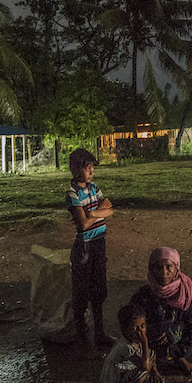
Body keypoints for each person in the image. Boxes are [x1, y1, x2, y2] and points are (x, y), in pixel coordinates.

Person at [64, 147, 115, 348]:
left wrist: (92, 213)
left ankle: (99, 333)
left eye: (92, 167)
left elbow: (110, 210)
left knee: (98, 290)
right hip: (84, 247)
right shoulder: (72, 193)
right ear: (75, 169)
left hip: (98, 243)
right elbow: (83, 224)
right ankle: (83, 339)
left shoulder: (93, 188)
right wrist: (98, 211)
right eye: (87, 168)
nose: (91, 172)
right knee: (82, 293)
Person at [129, 247, 192, 378]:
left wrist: (173, 332)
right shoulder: (142, 296)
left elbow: (190, 321)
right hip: (153, 341)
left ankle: (180, 358)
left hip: (177, 339)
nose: (164, 272)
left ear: (176, 268)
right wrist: (154, 331)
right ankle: (155, 364)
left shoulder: (184, 292)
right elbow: (132, 322)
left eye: (169, 267)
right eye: (158, 267)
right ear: (151, 269)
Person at [99, 303, 162, 383]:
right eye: (134, 328)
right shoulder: (126, 347)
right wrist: (145, 342)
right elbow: (145, 366)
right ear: (124, 329)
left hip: (123, 372)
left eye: (143, 326)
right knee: (141, 372)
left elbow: (150, 356)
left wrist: (155, 373)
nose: (140, 332)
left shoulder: (135, 340)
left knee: (150, 353)